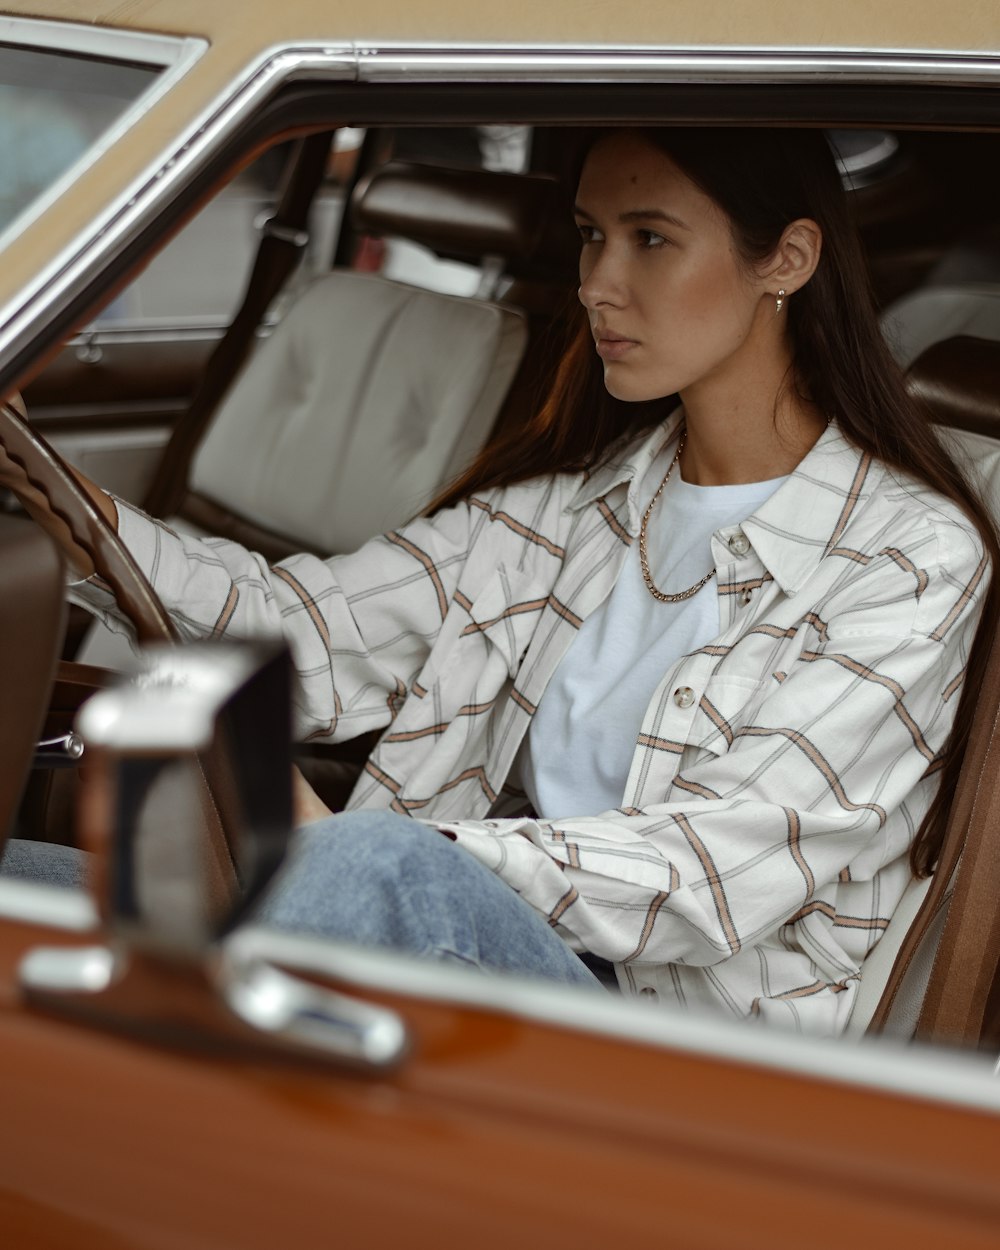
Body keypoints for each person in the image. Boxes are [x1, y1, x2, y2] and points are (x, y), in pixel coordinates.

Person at [4, 127, 997, 1035]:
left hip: (677, 1035)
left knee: (376, 863)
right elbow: (293, 629)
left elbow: (702, 875)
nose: (598, 282)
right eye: (589, 235)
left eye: (649, 239)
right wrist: (62, 499)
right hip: (452, 936)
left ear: (786, 258)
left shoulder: (906, 557)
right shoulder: (573, 506)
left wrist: (391, 850)